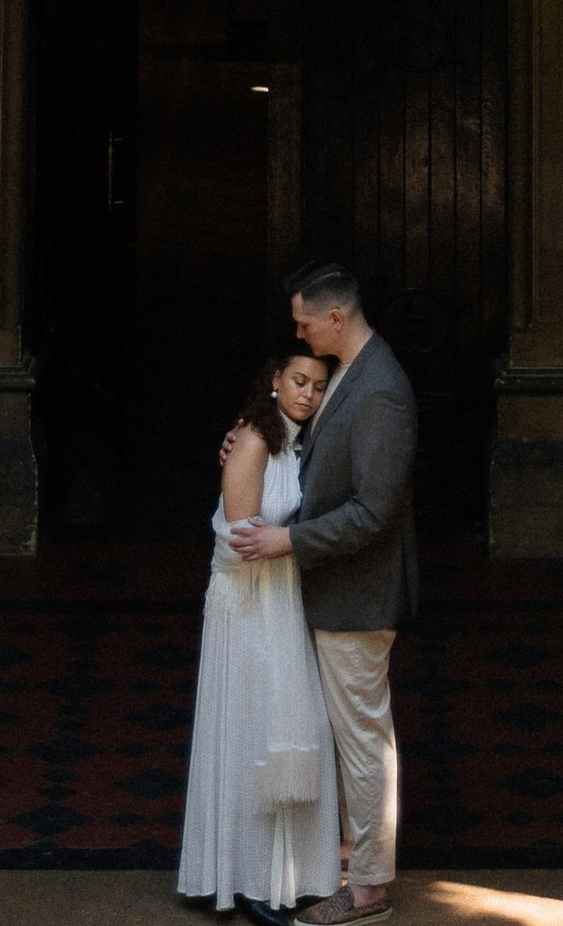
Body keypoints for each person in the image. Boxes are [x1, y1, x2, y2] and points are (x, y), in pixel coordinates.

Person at [227, 260, 418, 926]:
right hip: (331, 592)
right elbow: (317, 458)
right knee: (350, 734)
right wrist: (252, 438)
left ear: (336, 317)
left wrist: (289, 543)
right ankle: (348, 861)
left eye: (305, 321)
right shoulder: (351, 379)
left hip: (357, 595)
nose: (300, 331)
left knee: (364, 739)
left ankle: (367, 889)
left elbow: (374, 511)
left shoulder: (381, 391)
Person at [179, 344, 343, 922]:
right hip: (248, 609)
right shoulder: (252, 439)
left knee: (290, 729)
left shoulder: (296, 442)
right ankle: (245, 878)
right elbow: (243, 543)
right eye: (299, 380)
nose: (308, 393)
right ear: (275, 380)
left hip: (282, 603)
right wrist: (298, 540)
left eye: (320, 386)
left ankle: (287, 874)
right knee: (251, 731)